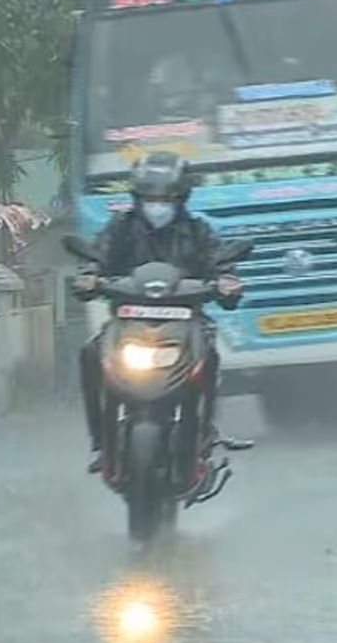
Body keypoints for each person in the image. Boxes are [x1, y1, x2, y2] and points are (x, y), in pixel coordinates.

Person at [72, 153, 245, 474]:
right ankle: (101, 441)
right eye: (150, 199)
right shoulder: (120, 229)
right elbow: (97, 257)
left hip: (187, 321)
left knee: (210, 356)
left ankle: (203, 432)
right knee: (90, 356)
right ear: (137, 198)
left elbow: (220, 262)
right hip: (128, 321)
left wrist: (226, 281)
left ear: (181, 199)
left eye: (166, 199)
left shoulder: (197, 231)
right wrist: (89, 275)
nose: (158, 206)